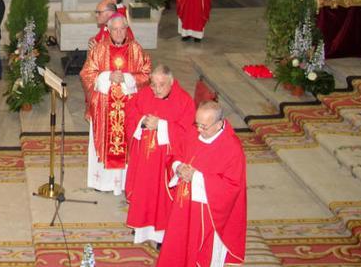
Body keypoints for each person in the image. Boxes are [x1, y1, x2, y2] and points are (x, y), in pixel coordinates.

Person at [157, 101, 247, 267]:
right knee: (178, 246)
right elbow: (176, 153)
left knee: (199, 254)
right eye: (197, 124)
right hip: (183, 207)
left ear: (219, 124)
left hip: (208, 214)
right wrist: (178, 168)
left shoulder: (231, 148)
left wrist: (197, 177)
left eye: (204, 127)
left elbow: (232, 187)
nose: (198, 130)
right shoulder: (194, 132)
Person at [79, 14, 151, 195]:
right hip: (104, 109)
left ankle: (126, 182)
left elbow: (147, 74)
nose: (119, 33)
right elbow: (86, 73)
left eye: (122, 29)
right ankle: (103, 183)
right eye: (115, 29)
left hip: (128, 109)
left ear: (126, 29)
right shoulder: (100, 49)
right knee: (105, 141)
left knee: (127, 142)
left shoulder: (136, 49)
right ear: (108, 30)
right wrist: (106, 77)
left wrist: (128, 78)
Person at [124, 65, 196, 246]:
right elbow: (131, 112)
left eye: (161, 85)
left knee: (162, 197)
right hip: (144, 159)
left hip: (166, 161)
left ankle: (162, 236)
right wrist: (142, 121)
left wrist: (161, 126)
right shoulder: (145, 94)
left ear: (171, 82)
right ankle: (141, 227)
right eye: (153, 84)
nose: (155, 89)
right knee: (143, 190)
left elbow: (188, 132)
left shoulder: (184, 101)